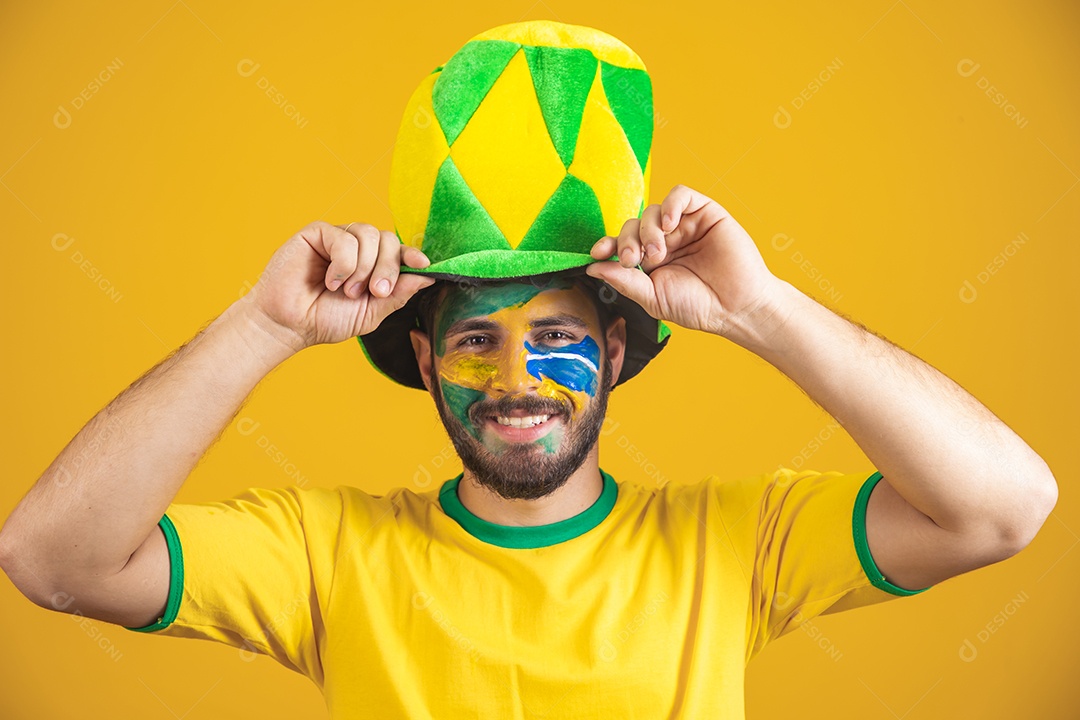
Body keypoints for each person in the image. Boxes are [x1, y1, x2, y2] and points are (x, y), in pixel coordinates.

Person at [0, 20, 1057, 719]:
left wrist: (760, 309)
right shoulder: (327, 557)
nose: (516, 378)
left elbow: (1003, 508)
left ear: (610, 352)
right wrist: (261, 325)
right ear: (422, 360)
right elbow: (52, 562)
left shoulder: (732, 549)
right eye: (474, 338)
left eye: (556, 337)